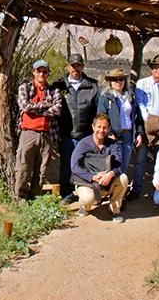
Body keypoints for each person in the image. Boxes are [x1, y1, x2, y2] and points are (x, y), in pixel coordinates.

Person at [128, 55, 159, 201]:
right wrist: (148, 121)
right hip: (145, 126)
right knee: (140, 160)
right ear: (151, 69)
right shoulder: (142, 84)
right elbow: (140, 104)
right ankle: (136, 189)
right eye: (157, 67)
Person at [53, 53, 99, 205]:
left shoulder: (92, 85)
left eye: (79, 65)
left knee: (87, 164)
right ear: (68, 67)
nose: (76, 69)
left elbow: (97, 111)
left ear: (83, 67)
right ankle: (67, 193)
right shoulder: (59, 86)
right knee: (67, 165)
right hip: (67, 133)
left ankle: (87, 194)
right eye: (73, 66)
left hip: (86, 134)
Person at [15, 59, 62, 201]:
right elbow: (25, 106)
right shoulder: (25, 87)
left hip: (46, 134)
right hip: (28, 133)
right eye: (39, 71)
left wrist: (35, 108)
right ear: (34, 72)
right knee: (23, 167)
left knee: (41, 170)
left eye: (44, 71)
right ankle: (20, 197)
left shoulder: (54, 90)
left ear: (48, 73)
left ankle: (34, 196)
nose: (41, 74)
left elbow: (57, 110)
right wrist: (46, 105)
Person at [70, 114, 128, 222]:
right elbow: (74, 166)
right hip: (88, 182)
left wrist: (110, 174)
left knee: (123, 178)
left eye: (105, 127)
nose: (102, 130)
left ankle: (114, 210)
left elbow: (120, 165)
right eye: (99, 126)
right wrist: (93, 177)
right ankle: (85, 206)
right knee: (88, 199)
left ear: (108, 128)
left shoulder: (113, 144)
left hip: (107, 181)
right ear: (93, 127)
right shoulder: (83, 143)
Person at [97, 68, 144, 176]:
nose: (118, 82)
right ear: (110, 82)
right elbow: (101, 117)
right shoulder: (105, 98)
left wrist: (139, 133)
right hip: (113, 136)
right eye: (115, 80)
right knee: (112, 166)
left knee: (124, 167)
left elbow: (137, 118)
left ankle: (121, 192)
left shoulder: (130, 98)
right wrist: (109, 133)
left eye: (121, 79)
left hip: (128, 135)